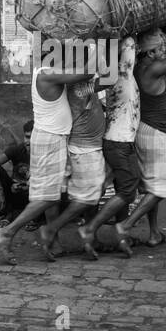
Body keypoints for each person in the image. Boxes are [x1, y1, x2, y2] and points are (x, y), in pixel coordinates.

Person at [0, 61, 93, 264]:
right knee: (49, 197)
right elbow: (88, 72)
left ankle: (52, 241)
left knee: (49, 195)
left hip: (52, 138)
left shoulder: (48, 73)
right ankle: (8, 231)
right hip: (51, 139)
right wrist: (99, 47)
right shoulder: (46, 73)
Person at [116, 0, 166, 250]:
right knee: (163, 184)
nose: (164, 52)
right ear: (150, 53)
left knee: (152, 184)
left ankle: (154, 232)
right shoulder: (151, 69)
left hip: (148, 130)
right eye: (160, 49)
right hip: (153, 132)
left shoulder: (142, 66)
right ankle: (126, 225)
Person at [79, 37, 140, 260]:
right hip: (119, 142)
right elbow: (128, 43)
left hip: (118, 140)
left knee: (120, 188)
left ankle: (120, 236)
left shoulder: (105, 79)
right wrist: (118, 35)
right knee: (127, 190)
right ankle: (90, 228)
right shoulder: (122, 73)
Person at [38, 64, 106, 260]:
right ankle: (53, 230)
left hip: (80, 142)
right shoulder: (77, 84)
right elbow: (108, 79)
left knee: (83, 193)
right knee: (89, 194)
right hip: (82, 145)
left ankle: (86, 237)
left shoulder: (78, 81)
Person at [0, 120, 37, 230]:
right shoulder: (18, 150)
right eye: (27, 137)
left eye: (33, 138)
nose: (28, 142)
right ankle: (7, 214)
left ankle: (34, 217)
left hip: (35, 197)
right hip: (16, 194)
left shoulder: (45, 155)